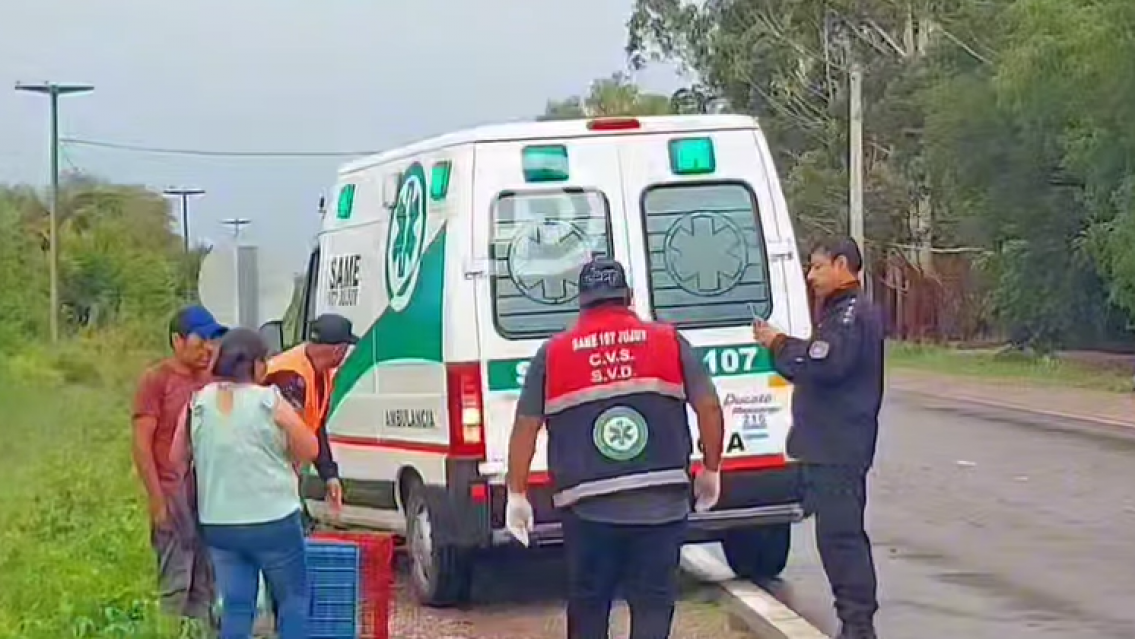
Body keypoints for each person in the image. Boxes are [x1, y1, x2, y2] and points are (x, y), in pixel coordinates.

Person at [505, 256, 725, 639]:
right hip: (662, 504)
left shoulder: (554, 353)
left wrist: (516, 492)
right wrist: (711, 468)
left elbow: (526, 427)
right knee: (654, 607)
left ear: (582, 300)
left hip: (589, 510)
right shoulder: (668, 341)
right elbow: (708, 406)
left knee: (589, 607)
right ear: (629, 297)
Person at [750, 237, 883, 639]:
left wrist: (779, 344)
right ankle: (855, 622)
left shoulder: (850, 314)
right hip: (829, 445)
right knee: (835, 536)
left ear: (842, 265)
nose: (811, 276)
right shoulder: (840, 311)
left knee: (841, 538)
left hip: (839, 447)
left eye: (817, 267)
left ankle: (858, 626)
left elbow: (823, 364)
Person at [171, 327, 319, 639]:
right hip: (274, 521)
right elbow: (310, 448)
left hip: (219, 523)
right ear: (254, 364)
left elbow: (176, 458)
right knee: (293, 600)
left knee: (237, 606)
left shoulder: (197, 403)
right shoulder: (268, 400)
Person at [132, 305, 228, 624]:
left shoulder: (212, 381)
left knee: (206, 583)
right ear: (178, 340)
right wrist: (157, 500)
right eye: (201, 341)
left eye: (212, 342)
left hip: (209, 497)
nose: (208, 349)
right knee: (176, 583)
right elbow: (142, 444)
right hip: (174, 495)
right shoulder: (156, 381)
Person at [263, 313, 359, 514]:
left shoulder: (319, 373)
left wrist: (329, 475)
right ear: (337, 351)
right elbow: (282, 436)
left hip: (284, 473)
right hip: (268, 476)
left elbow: (315, 426)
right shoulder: (289, 376)